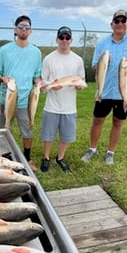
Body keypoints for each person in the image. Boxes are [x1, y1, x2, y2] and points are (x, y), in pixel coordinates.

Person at [81, 9, 127, 165]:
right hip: (104, 92)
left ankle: (110, 152)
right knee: (97, 120)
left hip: (125, 93)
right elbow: (94, 67)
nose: (120, 24)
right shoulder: (102, 44)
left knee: (118, 122)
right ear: (112, 24)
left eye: (123, 21)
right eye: (117, 21)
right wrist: (101, 61)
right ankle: (92, 149)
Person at [0, 15, 42, 171]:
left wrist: (39, 84)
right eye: (21, 27)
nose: (24, 29)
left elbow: (36, 76)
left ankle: (27, 159)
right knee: (4, 128)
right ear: (15, 30)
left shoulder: (36, 52)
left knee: (27, 130)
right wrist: (3, 79)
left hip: (25, 101)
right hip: (7, 98)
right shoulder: (5, 50)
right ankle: (3, 157)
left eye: (27, 27)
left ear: (31, 31)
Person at [40, 26, 86, 173]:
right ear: (57, 40)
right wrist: (51, 86)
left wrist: (79, 86)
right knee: (48, 134)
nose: (64, 41)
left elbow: (81, 79)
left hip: (69, 107)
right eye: (61, 38)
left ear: (71, 40)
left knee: (66, 135)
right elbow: (43, 81)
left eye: (67, 38)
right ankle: (46, 157)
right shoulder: (48, 59)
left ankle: (60, 158)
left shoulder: (78, 60)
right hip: (51, 105)